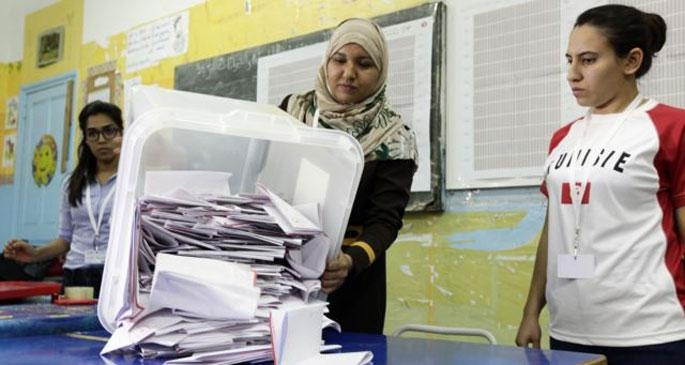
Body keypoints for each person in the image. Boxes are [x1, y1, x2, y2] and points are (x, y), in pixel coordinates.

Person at [515, 4, 685, 363]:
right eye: (569, 60)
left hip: (652, 332)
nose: (572, 74)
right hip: (570, 331)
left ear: (631, 61)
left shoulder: (670, 127)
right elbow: (554, 228)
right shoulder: (563, 138)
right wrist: (532, 310)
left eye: (588, 60)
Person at [280, 18, 417, 334]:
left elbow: (386, 220)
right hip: (286, 273)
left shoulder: (395, 137)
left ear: (380, 70)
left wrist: (351, 261)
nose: (348, 73)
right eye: (339, 60)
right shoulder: (292, 113)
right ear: (326, 62)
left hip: (353, 282)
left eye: (364, 63)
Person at [3, 100, 123, 298]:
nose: (101, 139)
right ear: (86, 139)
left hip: (117, 274)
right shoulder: (73, 183)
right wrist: (34, 254)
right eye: (93, 133)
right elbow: (65, 239)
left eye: (109, 130)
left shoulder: (132, 179)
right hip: (76, 274)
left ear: (121, 133)